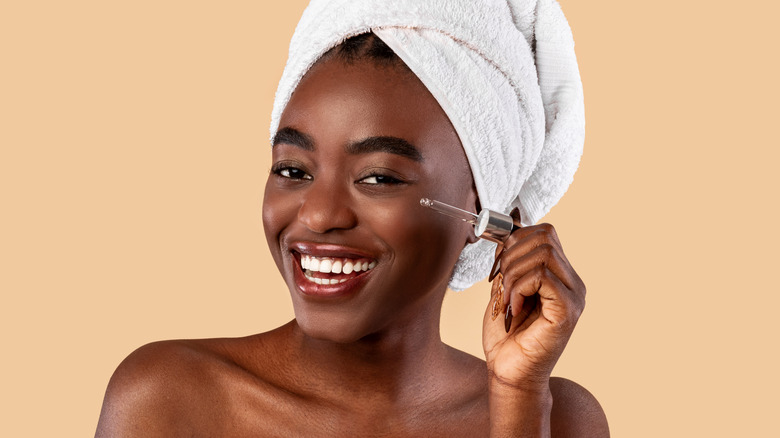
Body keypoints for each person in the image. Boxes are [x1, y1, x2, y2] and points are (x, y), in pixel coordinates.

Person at [96, 1, 608, 436]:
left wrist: (518, 398)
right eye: (293, 170)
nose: (318, 215)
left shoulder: (557, 417)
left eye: (379, 178)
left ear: (486, 214)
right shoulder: (168, 401)